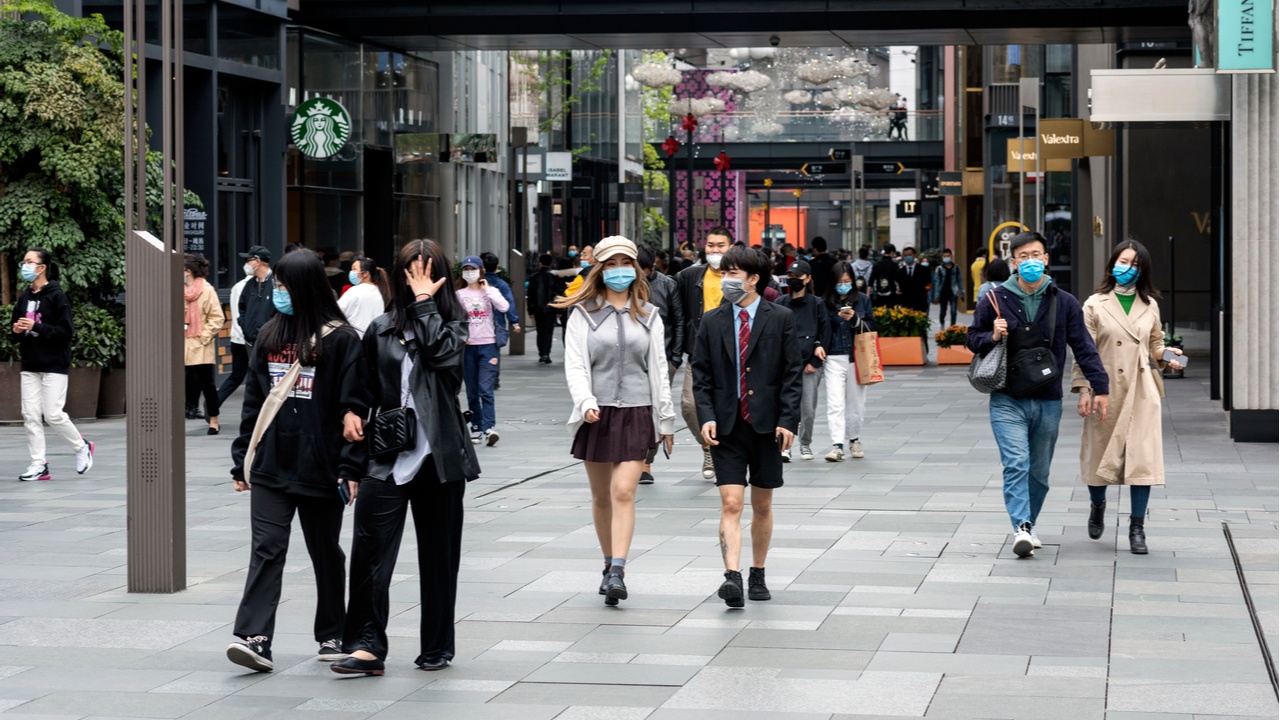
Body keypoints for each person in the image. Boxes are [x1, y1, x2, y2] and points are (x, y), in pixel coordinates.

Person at [331, 240, 479, 677]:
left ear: (442, 279)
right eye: (410, 274)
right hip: (386, 456)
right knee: (369, 552)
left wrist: (423, 303)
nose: (418, 281)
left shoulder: (454, 322)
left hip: (439, 458)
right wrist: (350, 417)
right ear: (396, 276)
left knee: (439, 557)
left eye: (427, 273)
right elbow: (361, 390)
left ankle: (436, 646)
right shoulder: (379, 328)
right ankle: (366, 646)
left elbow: (440, 356)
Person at [226, 249, 369, 673]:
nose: (278, 293)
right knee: (266, 550)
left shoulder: (342, 339)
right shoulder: (270, 334)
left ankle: (331, 633)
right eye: (277, 286)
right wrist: (241, 462)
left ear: (305, 287)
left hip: (321, 466)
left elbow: (355, 406)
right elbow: (254, 402)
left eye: (285, 286)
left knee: (325, 551)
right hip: (272, 464)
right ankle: (256, 638)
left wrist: (350, 466)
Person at [966, 231, 1110, 558]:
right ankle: (1022, 527)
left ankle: (1027, 523)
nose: (1030, 262)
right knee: (1016, 462)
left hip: (1048, 399)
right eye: (1023, 257)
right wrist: (991, 335)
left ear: (1046, 259)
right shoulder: (995, 298)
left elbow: (1085, 348)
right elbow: (972, 339)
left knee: (1040, 472)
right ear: (1014, 262)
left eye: (1036, 255)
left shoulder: (1065, 301)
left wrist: (1100, 387)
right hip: (1006, 397)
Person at [555, 236, 675, 603]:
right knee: (601, 496)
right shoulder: (583, 315)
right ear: (599, 269)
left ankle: (620, 569)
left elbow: (658, 369)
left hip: (638, 411)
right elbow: (575, 364)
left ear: (635, 268)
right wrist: (586, 401)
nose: (617, 270)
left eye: (625, 263)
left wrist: (666, 420)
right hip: (597, 413)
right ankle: (607, 564)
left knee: (624, 491)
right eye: (610, 263)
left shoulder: (650, 314)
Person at [692, 245, 803, 608]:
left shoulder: (780, 317)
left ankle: (757, 572)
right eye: (724, 272)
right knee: (730, 501)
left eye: (734, 273)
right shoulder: (712, 320)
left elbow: (791, 374)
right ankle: (732, 576)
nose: (726, 280)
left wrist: (789, 419)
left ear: (754, 278)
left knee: (763, 504)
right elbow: (702, 375)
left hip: (767, 425)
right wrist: (706, 415)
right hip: (726, 425)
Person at [1073, 240, 1182, 555]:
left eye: (1135, 264)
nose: (1128, 268)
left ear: (1143, 270)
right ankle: (1098, 504)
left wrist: (1167, 354)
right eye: (1123, 261)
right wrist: (1083, 389)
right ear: (1112, 264)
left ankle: (1137, 529)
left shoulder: (1149, 305)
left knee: (1142, 461)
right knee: (1098, 457)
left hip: (1141, 392)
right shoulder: (1094, 304)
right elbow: (1083, 351)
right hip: (1103, 390)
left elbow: (1155, 343)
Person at [10, 248, 94, 482]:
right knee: (30, 415)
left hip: (54, 364)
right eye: (23, 261)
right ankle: (39, 464)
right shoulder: (24, 297)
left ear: (41, 267)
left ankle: (81, 447)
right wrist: (17, 330)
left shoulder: (57, 296)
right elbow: (16, 329)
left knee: (53, 414)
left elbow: (66, 332)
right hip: (30, 364)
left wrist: (36, 327)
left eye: (29, 261)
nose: (24, 266)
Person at [676, 227, 733, 481]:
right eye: (710, 245)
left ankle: (728, 454)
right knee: (689, 405)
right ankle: (708, 445)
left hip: (732, 356)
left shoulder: (739, 277)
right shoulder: (689, 276)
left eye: (720, 245)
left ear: (731, 247)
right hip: (698, 354)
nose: (715, 250)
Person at [637, 244, 685, 485]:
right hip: (633, 359)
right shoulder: (625, 286)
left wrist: (675, 360)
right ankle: (634, 457)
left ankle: (646, 462)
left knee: (655, 409)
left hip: (663, 358)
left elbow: (678, 322)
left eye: (643, 269)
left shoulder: (667, 285)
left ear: (652, 267)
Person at [822, 262, 876, 462]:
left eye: (847, 281)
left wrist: (854, 319)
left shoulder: (862, 300)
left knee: (856, 404)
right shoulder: (825, 302)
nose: (843, 285)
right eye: (839, 281)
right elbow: (820, 327)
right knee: (835, 403)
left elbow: (871, 326)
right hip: (833, 357)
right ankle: (837, 445)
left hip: (857, 357)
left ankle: (854, 439)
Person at [778, 260, 828, 463]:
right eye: (790, 275)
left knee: (807, 408)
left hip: (809, 366)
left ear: (807, 279)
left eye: (797, 276)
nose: (793, 280)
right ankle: (784, 445)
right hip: (785, 365)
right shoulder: (781, 303)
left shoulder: (817, 304)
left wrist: (815, 363)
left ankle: (805, 443)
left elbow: (825, 333)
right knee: (786, 407)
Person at [457, 256, 509, 446]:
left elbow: (504, 307)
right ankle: (476, 427)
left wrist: (487, 289)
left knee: (485, 389)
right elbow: (453, 318)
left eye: (473, 269)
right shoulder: (459, 294)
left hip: (489, 346)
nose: (469, 272)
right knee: (471, 391)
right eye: (466, 269)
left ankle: (489, 427)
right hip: (468, 347)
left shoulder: (491, 291)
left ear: (481, 271)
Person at [183, 253, 226, 434]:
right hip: (182, 342)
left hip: (200, 343)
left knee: (207, 384)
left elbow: (217, 318)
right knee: (180, 383)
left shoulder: (207, 290)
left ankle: (214, 420)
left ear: (188, 271)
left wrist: (203, 336)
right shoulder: (176, 289)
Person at [217, 262, 254, 406]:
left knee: (236, 376)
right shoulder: (253, 287)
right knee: (256, 375)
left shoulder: (237, 286)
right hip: (249, 338)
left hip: (236, 337)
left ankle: (215, 402)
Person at [238, 245, 277, 367]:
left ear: (258, 261)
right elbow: (242, 307)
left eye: (249, 260)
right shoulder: (250, 284)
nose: (246, 264)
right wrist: (244, 325)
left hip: (271, 342)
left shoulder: (276, 283)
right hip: (251, 342)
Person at [338, 255, 391, 336]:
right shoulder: (380, 292)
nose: (351, 272)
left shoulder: (355, 291)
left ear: (365, 273)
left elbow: (338, 312)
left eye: (354, 269)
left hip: (356, 340)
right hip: (374, 340)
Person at [527, 253, 560, 364]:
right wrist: (559, 310)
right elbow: (558, 293)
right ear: (551, 263)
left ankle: (541, 353)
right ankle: (546, 353)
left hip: (537, 309)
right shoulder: (554, 277)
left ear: (540, 262)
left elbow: (530, 294)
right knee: (548, 332)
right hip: (550, 309)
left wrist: (530, 310)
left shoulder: (534, 277)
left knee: (540, 331)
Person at [930, 248, 964, 327]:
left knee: (953, 311)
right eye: (945, 256)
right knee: (943, 311)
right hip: (943, 292)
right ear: (942, 257)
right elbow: (937, 282)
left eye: (948, 256)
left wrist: (961, 292)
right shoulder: (939, 269)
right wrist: (936, 295)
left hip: (953, 291)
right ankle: (942, 322)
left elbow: (959, 280)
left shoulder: (956, 267)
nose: (946, 257)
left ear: (951, 256)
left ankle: (953, 326)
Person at [895, 247, 930, 312]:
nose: (908, 257)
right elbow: (899, 287)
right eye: (905, 255)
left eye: (910, 255)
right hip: (906, 305)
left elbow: (928, 284)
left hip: (920, 304)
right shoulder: (900, 272)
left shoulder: (924, 270)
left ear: (914, 255)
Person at [869, 243, 900, 307]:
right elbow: (898, 279)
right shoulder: (894, 265)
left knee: (879, 312)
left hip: (879, 291)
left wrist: (868, 292)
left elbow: (871, 279)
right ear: (892, 252)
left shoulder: (877, 264)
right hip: (891, 292)